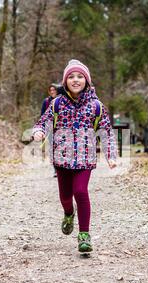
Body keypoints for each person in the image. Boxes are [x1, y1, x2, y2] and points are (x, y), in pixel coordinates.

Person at [32, 59, 117, 253]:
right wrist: (39, 132)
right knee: (65, 197)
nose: (75, 80)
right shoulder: (57, 104)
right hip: (61, 158)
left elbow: (106, 132)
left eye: (80, 76)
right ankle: (69, 213)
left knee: (80, 191)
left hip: (85, 159)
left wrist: (111, 155)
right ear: (65, 81)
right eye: (71, 77)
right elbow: (43, 122)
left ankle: (84, 235)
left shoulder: (96, 106)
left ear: (87, 80)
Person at [41, 84, 58, 177]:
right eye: (50, 90)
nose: (52, 92)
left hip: (62, 129)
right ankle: (56, 170)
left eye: (54, 90)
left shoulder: (61, 101)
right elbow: (42, 116)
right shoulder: (46, 102)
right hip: (50, 129)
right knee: (53, 149)